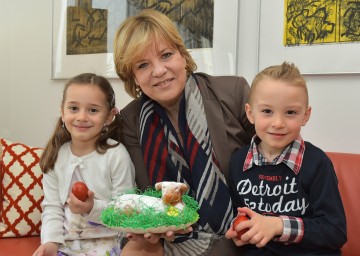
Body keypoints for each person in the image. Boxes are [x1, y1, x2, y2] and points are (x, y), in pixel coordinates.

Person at [113, 9, 256, 256]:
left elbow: (280, 158)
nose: (159, 71)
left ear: (182, 54)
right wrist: (149, 230)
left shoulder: (233, 92)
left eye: (166, 55)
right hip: (171, 240)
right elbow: (142, 195)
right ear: (133, 77)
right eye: (143, 65)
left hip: (241, 234)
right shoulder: (129, 121)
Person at [226, 62, 347, 255]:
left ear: (305, 116)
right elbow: (237, 215)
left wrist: (278, 225)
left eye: (290, 112)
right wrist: (240, 230)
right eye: (267, 111)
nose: (278, 123)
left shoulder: (317, 163)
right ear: (250, 113)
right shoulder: (238, 163)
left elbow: (335, 231)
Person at [32, 73, 135, 256]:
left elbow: (125, 209)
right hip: (67, 244)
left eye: (93, 110)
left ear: (109, 116)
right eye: (73, 108)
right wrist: (50, 242)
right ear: (62, 112)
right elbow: (52, 207)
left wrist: (91, 208)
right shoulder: (56, 155)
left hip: (111, 240)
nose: (81, 117)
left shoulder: (116, 155)